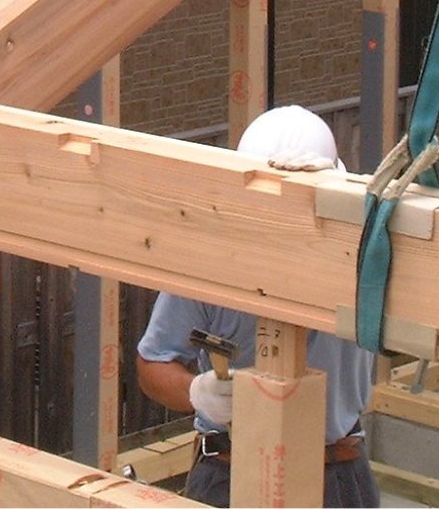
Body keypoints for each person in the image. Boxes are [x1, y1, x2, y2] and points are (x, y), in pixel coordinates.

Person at [136, 105, 380, 508]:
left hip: (335, 473)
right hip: (228, 471)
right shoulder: (209, 264)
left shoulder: (361, 258)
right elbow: (152, 364)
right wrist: (197, 392)